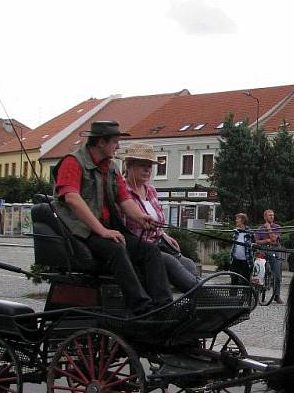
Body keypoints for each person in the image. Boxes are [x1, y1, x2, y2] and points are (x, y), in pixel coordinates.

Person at [52, 120, 172, 316]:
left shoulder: (112, 168)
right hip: (81, 231)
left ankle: (163, 307)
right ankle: (141, 307)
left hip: (106, 229)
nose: (118, 146)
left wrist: (141, 217)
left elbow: (124, 200)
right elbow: (72, 198)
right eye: (115, 141)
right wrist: (103, 231)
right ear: (101, 142)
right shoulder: (72, 162)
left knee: (149, 250)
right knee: (116, 249)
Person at [119, 143, 200, 293]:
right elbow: (124, 224)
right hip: (137, 248)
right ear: (129, 166)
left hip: (157, 243)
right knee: (170, 263)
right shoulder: (121, 189)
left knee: (188, 264)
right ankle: (204, 295)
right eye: (143, 165)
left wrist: (165, 235)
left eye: (150, 166)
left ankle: (196, 298)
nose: (147, 170)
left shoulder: (151, 190)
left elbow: (157, 222)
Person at [254, 209, 283, 303]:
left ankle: (277, 295)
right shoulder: (260, 229)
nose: (272, 217)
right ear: (265, 217)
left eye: (273, 215)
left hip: (274, 251)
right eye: (270, 215)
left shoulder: (277, 227)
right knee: (259, 272)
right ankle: (257, 293)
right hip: (263, 251)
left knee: (277, 275)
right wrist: (266, 241)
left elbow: (274, 239)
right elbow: (257, 241)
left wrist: (269, 228)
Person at [229, 212, 254, 285]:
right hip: (235, 260)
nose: (236, 221)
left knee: (245, 280)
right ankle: (233, 296)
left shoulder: (249, 232)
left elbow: (254, 244)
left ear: (242, 220)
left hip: (246, 260)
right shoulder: (235, 232)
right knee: (234, 280)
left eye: (237, 219)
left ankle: (245, 296)